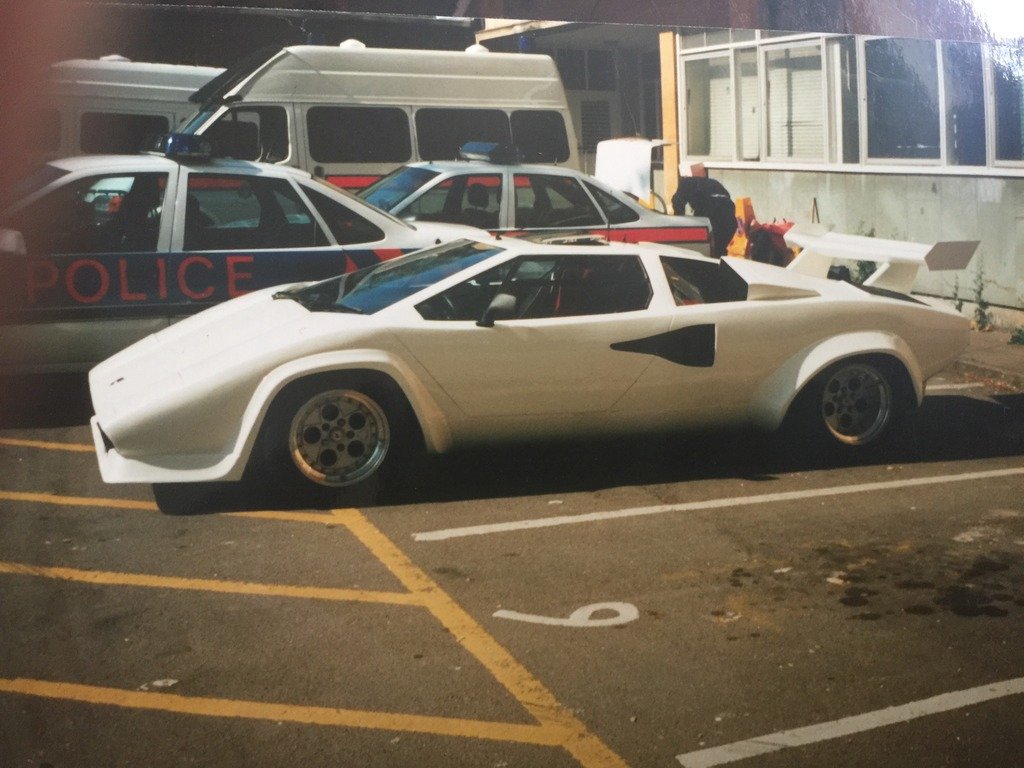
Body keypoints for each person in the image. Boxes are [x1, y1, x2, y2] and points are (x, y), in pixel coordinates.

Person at [671, 175, 737, 257]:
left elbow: (677, 202)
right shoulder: (709, 183)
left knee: (710, 247)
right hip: (729, 214)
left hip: (714, 210)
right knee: (719, 248)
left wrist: (678, 221)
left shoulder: (684, 185)